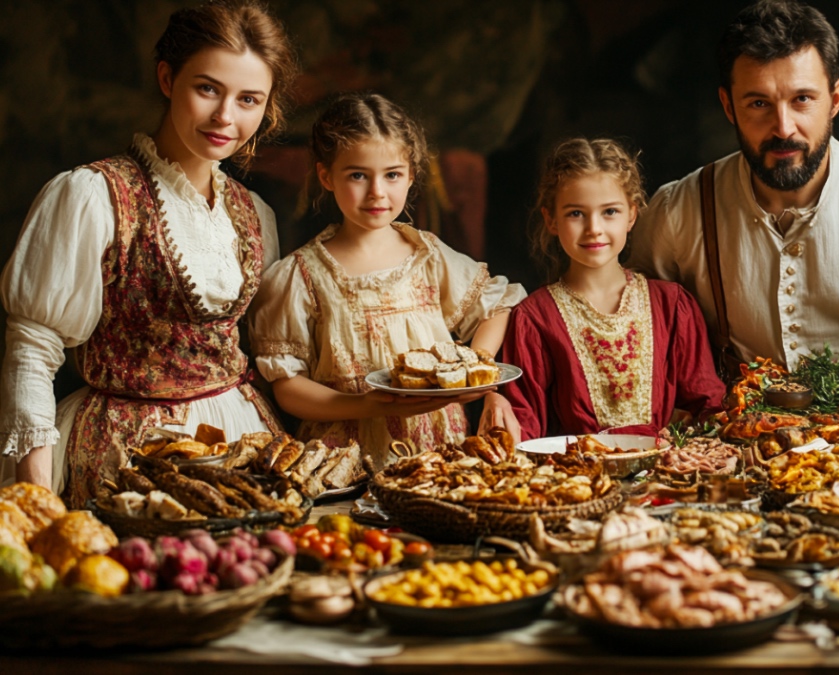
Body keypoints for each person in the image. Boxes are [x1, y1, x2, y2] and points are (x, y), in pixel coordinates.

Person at [0, 0, 299, 507]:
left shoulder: (256, 214)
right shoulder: (91, 195)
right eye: (207, 88)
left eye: (249, 99)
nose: (226, 117)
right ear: (167, 79)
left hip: (244, 444)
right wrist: (36, 496)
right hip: (123, 458)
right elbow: (32, 350)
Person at [629, 0, 839, 375]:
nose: (783, 127)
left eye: (802, 99)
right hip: (734, 429)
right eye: (758, 103)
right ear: (728, 106)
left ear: (835, 99)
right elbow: (633, 341)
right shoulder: (677, 211)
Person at [249, 92, 525, 469]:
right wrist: (362, 405)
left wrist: (475, 370)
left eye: (392, 175)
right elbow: (287, 385)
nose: (377, 192)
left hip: (436, 449)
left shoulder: (428, 255)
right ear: (326, 176)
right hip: (345, 453)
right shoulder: (302, 275)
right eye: (358, 175)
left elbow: (496, 305)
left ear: (411, 175)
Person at [502, 138, 726, 441]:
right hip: (574, 482)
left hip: (670, 479)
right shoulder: (535, 319)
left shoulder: (671, 305)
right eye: (576, 214)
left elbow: (708, 405)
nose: (594, 227)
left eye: (610, 212)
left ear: (632, 215)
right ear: (551, 220)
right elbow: (525, 429)